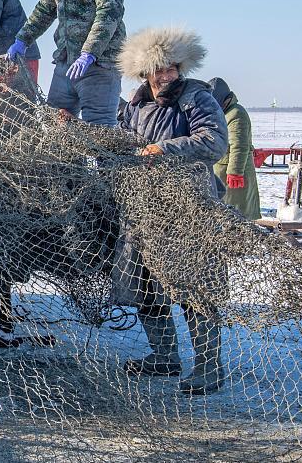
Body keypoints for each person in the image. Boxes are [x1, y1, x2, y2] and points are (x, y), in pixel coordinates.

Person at [114, 26, 229, 396]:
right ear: (144, 72)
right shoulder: (135, 105)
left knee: (195, 285)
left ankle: (209, 367)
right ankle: (165, 356)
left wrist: (166, 149)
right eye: (158, 69)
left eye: (171, 68)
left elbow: (214, 142)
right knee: (145, 283)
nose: (165, 76)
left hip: (189, 208)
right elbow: (121, 142)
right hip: (143, 206)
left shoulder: (196, 97)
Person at [209, 77, 262, 220]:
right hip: (220, 170)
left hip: (232, 174)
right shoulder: (222, 113)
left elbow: (239, 145)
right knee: (222, 212)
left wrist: (235, 172)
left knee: (236, 213)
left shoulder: (236, 114)